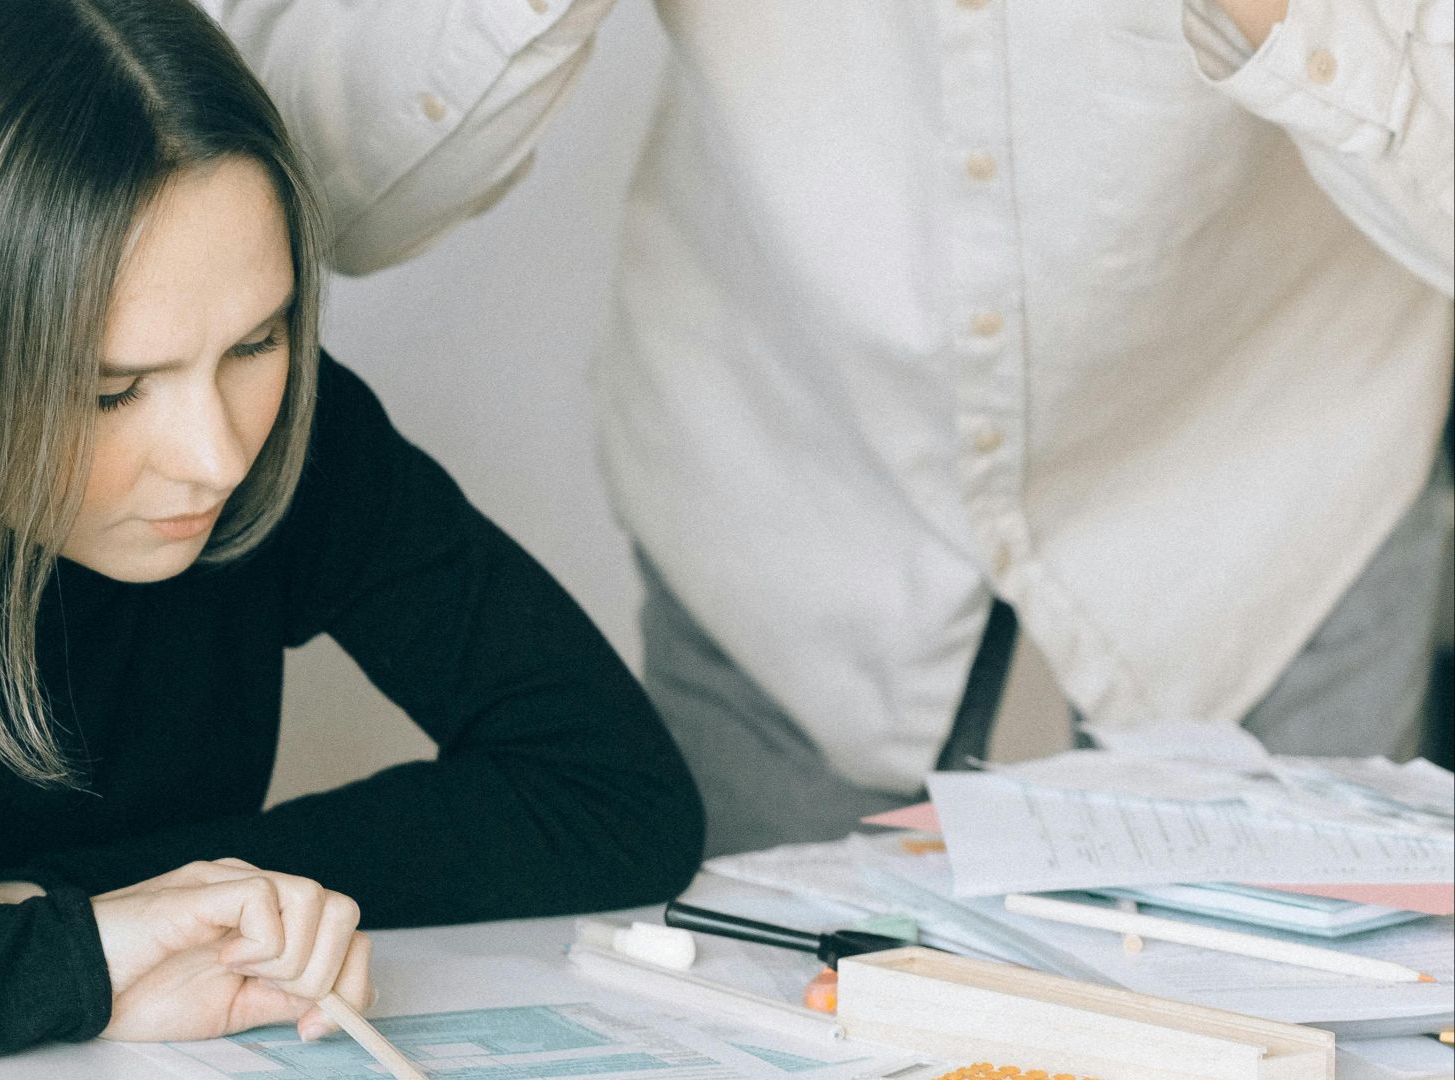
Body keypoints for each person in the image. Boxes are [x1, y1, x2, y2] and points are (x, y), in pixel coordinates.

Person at [0, 1, 703, 1076]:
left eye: (258, 339)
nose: (216, 454)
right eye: (109, 390)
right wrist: (74, 963)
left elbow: (613, 791)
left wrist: (112, 912)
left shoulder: (291, 434)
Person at [201, 0, 1455, 855]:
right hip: (787, 487)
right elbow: (310, 202)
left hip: (1282, 483)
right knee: (757, 1020)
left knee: (1303, 1030)